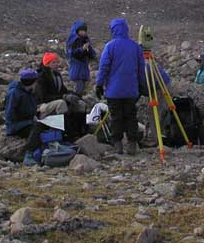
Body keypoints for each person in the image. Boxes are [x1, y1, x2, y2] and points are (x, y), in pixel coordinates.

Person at [95, 18, 145, 155]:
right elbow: (141, 68)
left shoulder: (110, 46)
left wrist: (99, 84)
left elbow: (104, 67)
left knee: (116, 117)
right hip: (131, 90)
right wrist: (142, 84)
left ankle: (117, 144)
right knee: (131, 116)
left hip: (114, 91)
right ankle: (132, 144)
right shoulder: (135, 47)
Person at [35, 52, 86, 140]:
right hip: (42, 106)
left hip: (54, 101)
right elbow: (43, 97)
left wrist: (75, 95)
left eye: (57, 62)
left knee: (80, 103)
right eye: (53, 62)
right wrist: (64, 97)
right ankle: (66, 133)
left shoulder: (57, 75)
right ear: (47, 64)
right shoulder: (41, 77)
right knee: (61, 103)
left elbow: (63, 90)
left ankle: (81, 130)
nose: (56, 65)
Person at [66, 20, 96, 96]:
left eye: (85, 30)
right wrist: (82, 49)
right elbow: (72, 53)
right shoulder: (73, 40)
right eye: (82, 30)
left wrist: (89, 50)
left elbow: (92, 55)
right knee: (78, 91)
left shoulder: (85, 40)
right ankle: (75, 105)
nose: (84, 32)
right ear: (77, 30)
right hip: (77, 69)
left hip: (83, 69)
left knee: (83, 91)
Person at [4, 69, 38, 137]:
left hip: (27, 121)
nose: (36, 83)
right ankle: (29, 147)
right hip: (16, 126)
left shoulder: (29, 91)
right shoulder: (14, 93)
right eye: (35, 81)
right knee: (37, 130)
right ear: (31, 82)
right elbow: (10, 115)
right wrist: (29, 120)